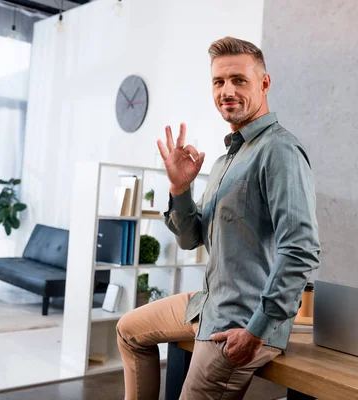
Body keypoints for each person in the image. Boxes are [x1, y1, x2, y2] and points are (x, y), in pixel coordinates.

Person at [116, 36, 320, 399]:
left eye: (239, 80)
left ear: (264, 83)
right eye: (218, 81)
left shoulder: (280, 150)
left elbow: (301, 249)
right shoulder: (226, 161)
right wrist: (180, 189)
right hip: (209, 302)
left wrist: (256, 330)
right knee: (129, 330)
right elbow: (191, 239)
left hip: (240, 322)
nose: (227, 90)